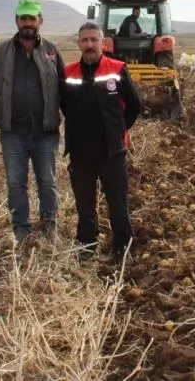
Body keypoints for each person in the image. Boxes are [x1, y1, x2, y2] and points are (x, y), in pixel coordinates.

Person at [0, 0, 65, 244]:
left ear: (40, 21)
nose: (28, 23)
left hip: (45, 131)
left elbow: (64, 90)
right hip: (13, 132)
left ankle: (50, 228)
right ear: (17, 20)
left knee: (48, 182)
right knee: (16, 183)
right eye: (23, 18)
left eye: (32, 18)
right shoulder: (0, 53)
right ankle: (21, 230)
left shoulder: (52, 52)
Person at [61, 22, 142, 263]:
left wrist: (118, 130)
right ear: (79, 43)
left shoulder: (117, 69)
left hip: (112, 152)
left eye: (93, 40)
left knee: (117, 203)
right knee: (85, 205)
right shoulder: (68, 73)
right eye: (84, 40)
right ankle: (87, 246)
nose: (89, 45)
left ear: (102, 43)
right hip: (80, 152)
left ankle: (122, 248)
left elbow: (134, 105)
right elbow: (64, 105)